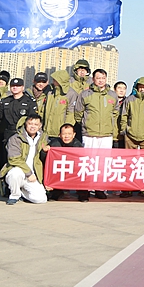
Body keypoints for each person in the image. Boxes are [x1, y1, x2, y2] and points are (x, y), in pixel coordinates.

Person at [73, 69, 119, 199]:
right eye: (98, 78)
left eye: (103, 78)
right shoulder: (85, 94)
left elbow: (115, 112)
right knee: (88, 162)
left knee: (103, 163)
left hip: (106, 134)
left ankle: (100, 188)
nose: (100, 80)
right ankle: (85, 189)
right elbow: (78, 113)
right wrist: (86, 124)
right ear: (93, 79)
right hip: (89, 133)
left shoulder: (112, 95)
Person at [0, 114, 48, 205]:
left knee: (41, 199)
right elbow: (14, 159)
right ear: (26, 124)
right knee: (15, 174)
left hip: (34, 174)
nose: (33, 126)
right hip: (20, 171)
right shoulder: (15, 138)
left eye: (36, 124)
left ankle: (22, 193)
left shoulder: (43, 138)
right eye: (30, 123)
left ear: (40, 126)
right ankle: (14, 195)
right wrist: (28, 173)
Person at [40, 123, 89, 202]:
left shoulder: (78, 146)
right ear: (59, 135)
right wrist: (44, 152)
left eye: (69, 134)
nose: (66, 136)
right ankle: (56, 192)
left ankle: (83, 194)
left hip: (73, 170)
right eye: (64, 134)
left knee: (82, 171)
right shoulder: (54, 144)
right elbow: (44, 160)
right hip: (60, 170)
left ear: (74, 135)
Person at [0, 78, 38, 174]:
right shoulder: (5, 101)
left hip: (22, 134)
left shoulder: (29, 102)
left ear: (22, 87)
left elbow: (33, 119)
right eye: (13, 86)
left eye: (18, 86)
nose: (15, 88)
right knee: (6, 159)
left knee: (20, 159)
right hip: (8, 133)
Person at [41, 70, 77, 142]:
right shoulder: (50, 92)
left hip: (60, 133)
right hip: (46, 132)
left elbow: (71, 114)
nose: (53, 81)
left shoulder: (71, 94)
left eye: (55, 80)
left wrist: (65, 131)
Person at [121, 77, 144, 149]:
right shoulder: (130, 99)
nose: (142, 89)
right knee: (130, 155)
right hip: (130, 135)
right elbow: (124, 115)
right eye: (140, 87)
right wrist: (124, 129)